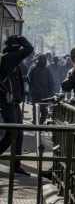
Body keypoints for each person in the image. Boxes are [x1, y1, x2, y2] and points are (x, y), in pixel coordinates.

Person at [0, 35, 34, 176]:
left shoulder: (10, 59)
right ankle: (16, 163)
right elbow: (29, 49)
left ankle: (16, 164)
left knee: (17, 135)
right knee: (12, 134)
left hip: (12, 101)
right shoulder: (9, 58)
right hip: (9, 102)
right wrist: (21, 39)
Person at [27, 54, 55, 124]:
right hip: (37, 94)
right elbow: (28, 79)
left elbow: (50, 82)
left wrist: (52, 93)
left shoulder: (46, 70)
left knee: (43, 112)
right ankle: (37, 124)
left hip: (43, 95)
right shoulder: (34, 69)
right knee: (38, 111)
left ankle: (38, 124)